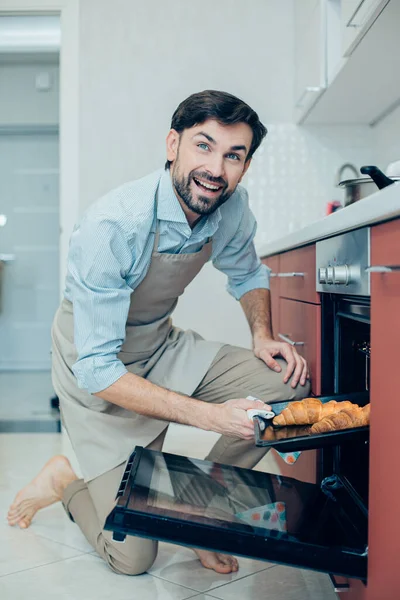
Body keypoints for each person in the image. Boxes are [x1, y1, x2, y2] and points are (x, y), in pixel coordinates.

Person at [8, 90, 310, 576]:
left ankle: (198, 516)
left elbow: (248, 273)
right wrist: (211, 418)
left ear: (246, 166)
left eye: (234, 155)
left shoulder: (230, 207)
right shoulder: (113, 226)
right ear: (173, 144)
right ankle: (66, 483)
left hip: (159, 346)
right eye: (203, 146)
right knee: (132, 558)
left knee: (284, 389)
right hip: (97, 371)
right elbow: (100, 370)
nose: (216, 168)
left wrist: (262, 334)